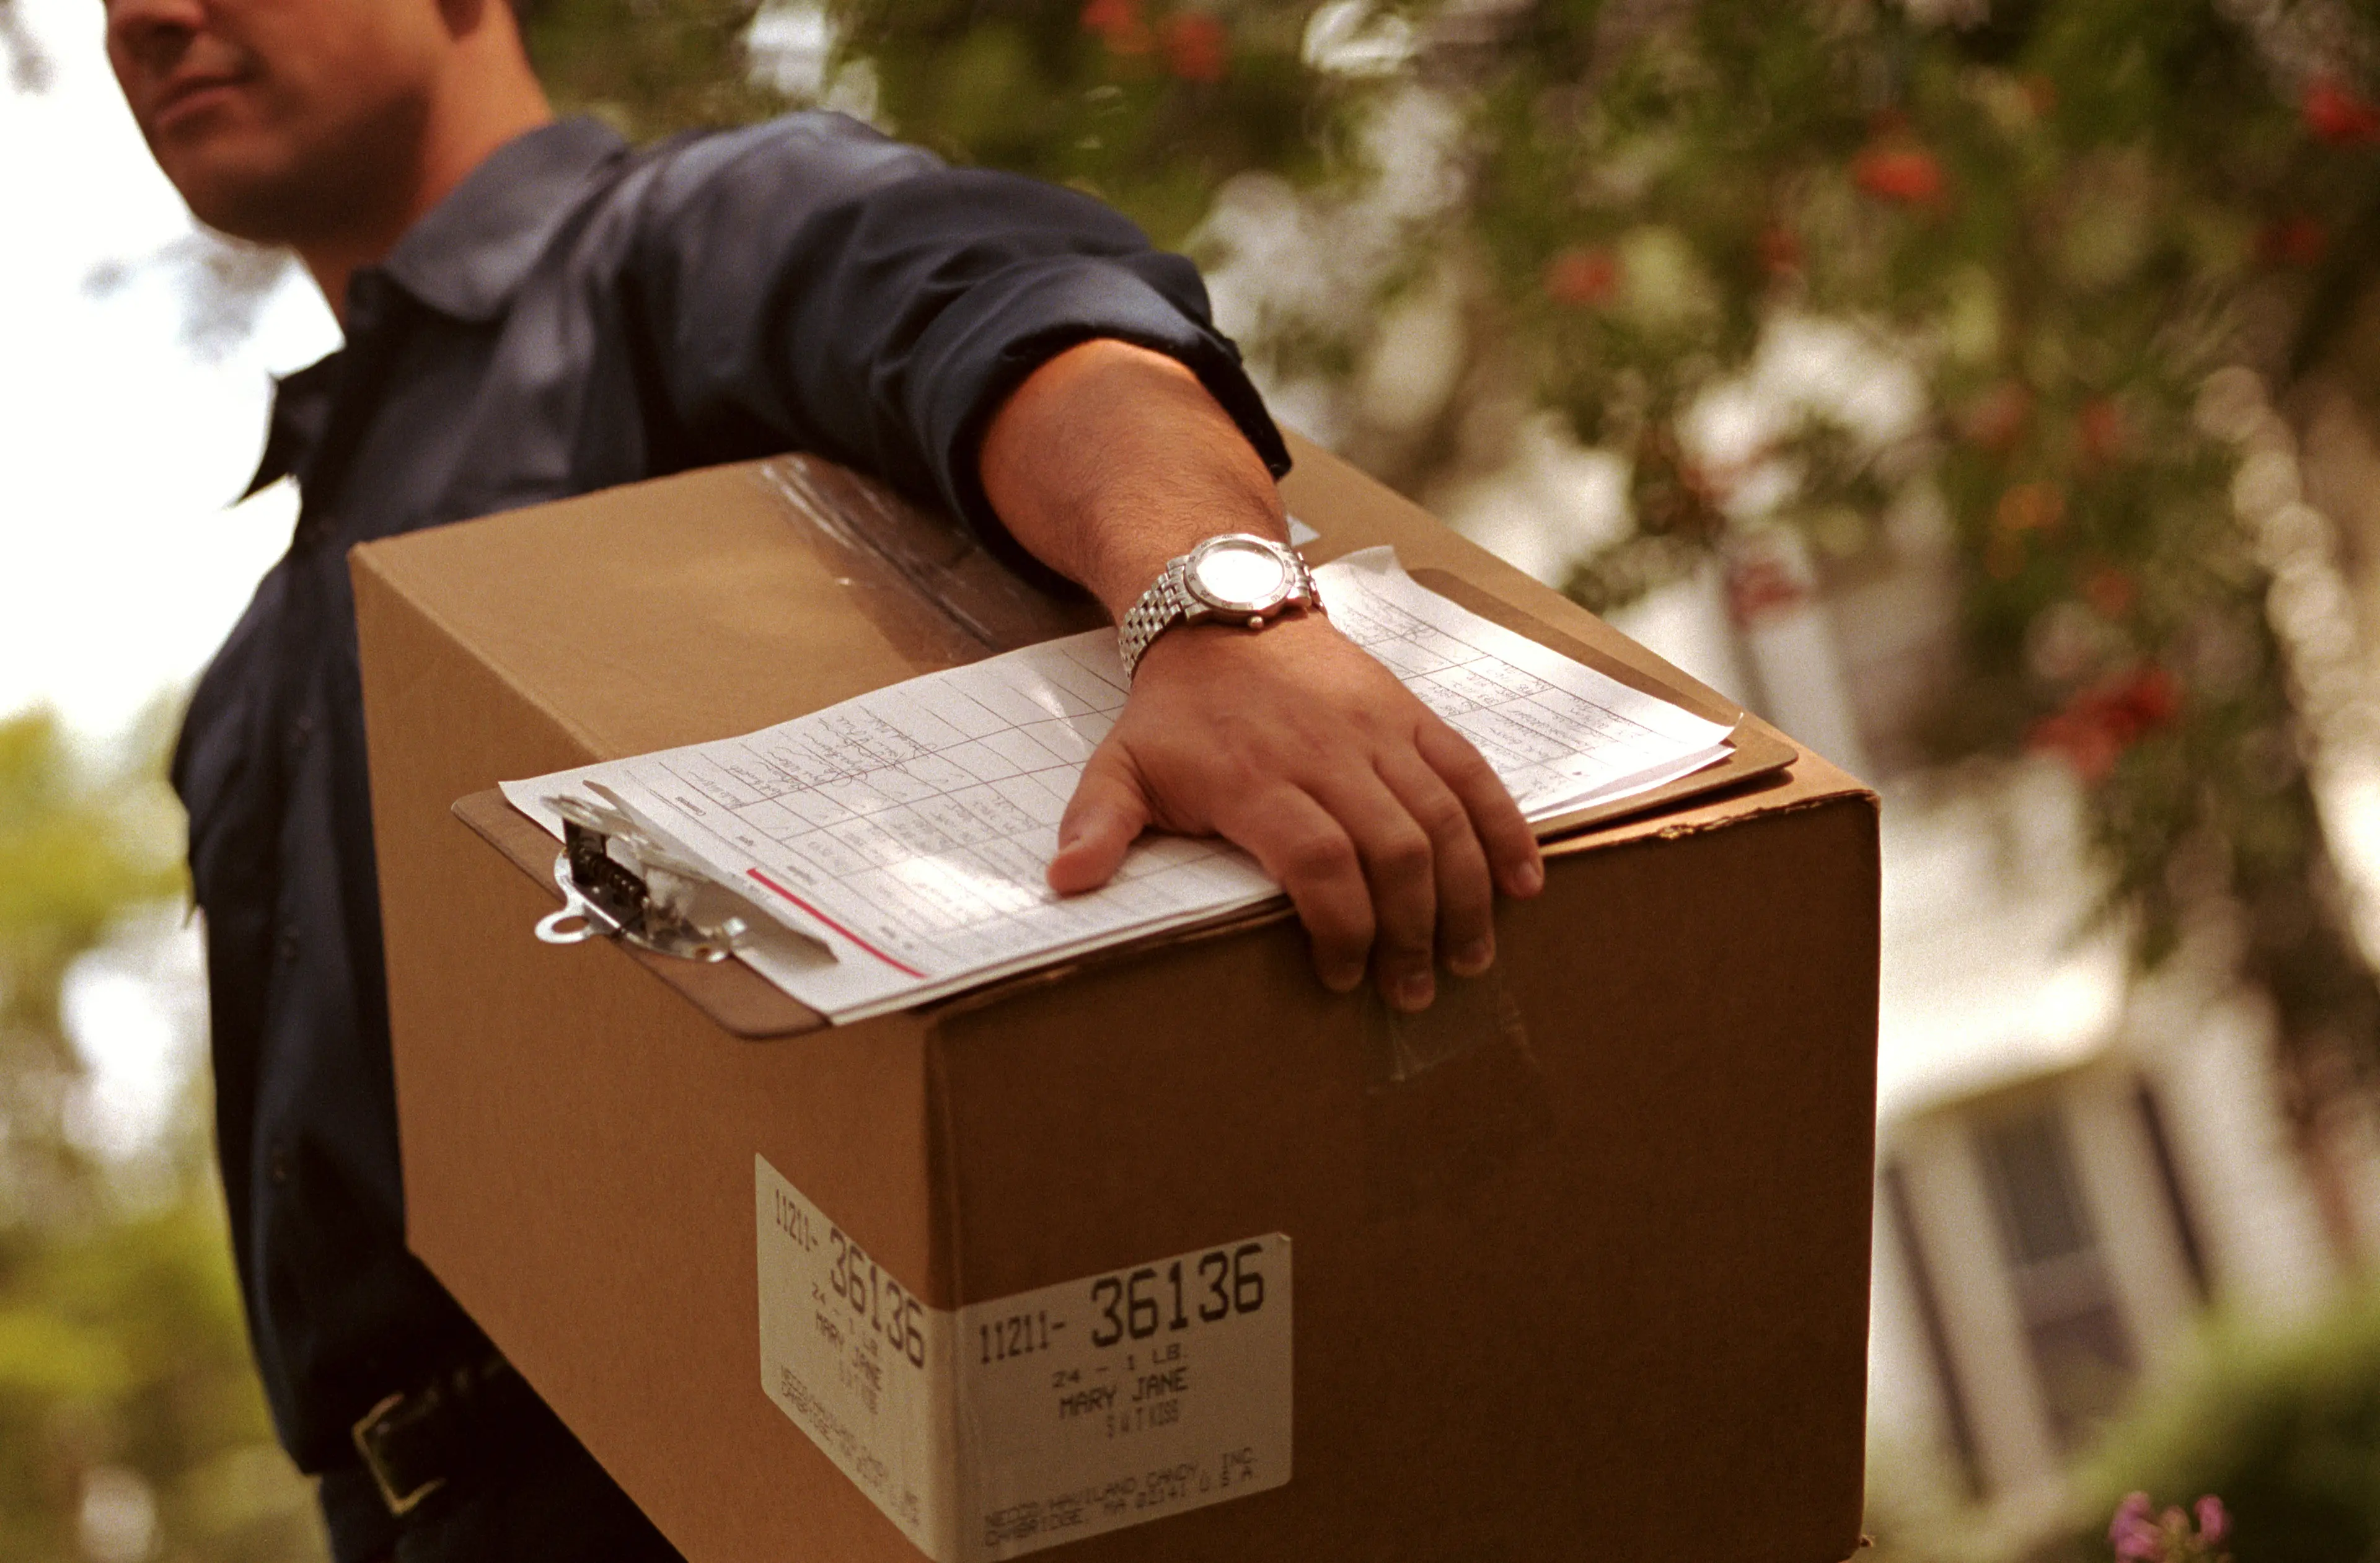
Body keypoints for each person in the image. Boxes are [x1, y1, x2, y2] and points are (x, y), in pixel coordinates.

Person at [102, 0, 1545, 1554]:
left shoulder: (682, 242)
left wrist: (1219, 606)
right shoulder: (260, 653)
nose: (144, 18)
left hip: (752, 1475)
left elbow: (1027, 314)